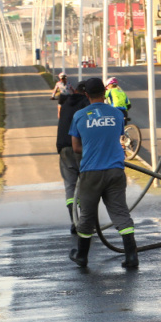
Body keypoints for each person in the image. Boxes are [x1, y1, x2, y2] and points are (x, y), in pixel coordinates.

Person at [69, 77, 138, 269]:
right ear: (104, 92)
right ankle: (132, 256)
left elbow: (75, 147)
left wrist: (92, 149)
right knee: (120, 213)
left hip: (91, 172)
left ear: (86, 94)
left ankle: (82, 256)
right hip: (115, 171)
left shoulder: (80, 116)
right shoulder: (117, 114)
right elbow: (116, 136)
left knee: (87, 217)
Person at [56, 81, 91, 234]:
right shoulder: (86, 104)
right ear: (87, 93)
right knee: (86, 184)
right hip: (81, 147)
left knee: (70, 186)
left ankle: (74, 222)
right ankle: (85, 222)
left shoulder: (66, 103)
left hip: (63, 147)